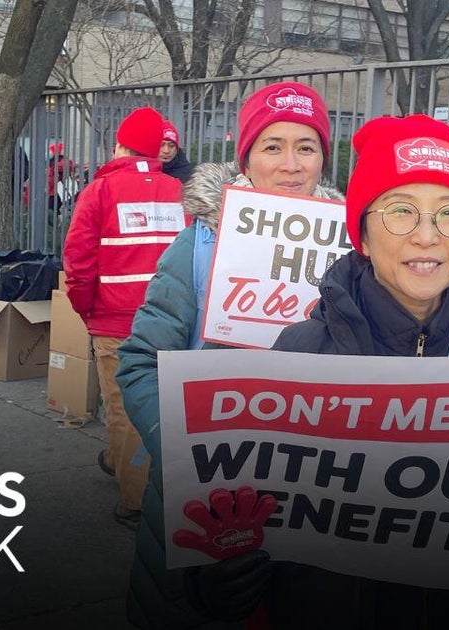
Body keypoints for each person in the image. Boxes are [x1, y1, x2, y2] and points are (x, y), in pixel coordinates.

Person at [142, 115, 449, 629]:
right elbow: (232, 512)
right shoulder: (299, 355)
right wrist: (217, 581)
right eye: (401, 211)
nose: (427, 237)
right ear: (361, 235)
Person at [111, 81, 343, 627]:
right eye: (272, 146)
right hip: (206, 492)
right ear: (247, 158)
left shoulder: (355, 249)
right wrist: (183, 447)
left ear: (323, 159)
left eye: (306, 147)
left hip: (315, 500)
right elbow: (140, 361)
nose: (291, 165)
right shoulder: (198, 244)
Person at [63, 106, 188, 530]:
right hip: (170, 320)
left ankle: (135, 500)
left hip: (116, 323)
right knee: (164, 403)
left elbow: (78, 262)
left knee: (123, 407)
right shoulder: (178, 192)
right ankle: (120, 460)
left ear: (119, 145)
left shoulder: (99, 191)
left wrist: (85, 308)